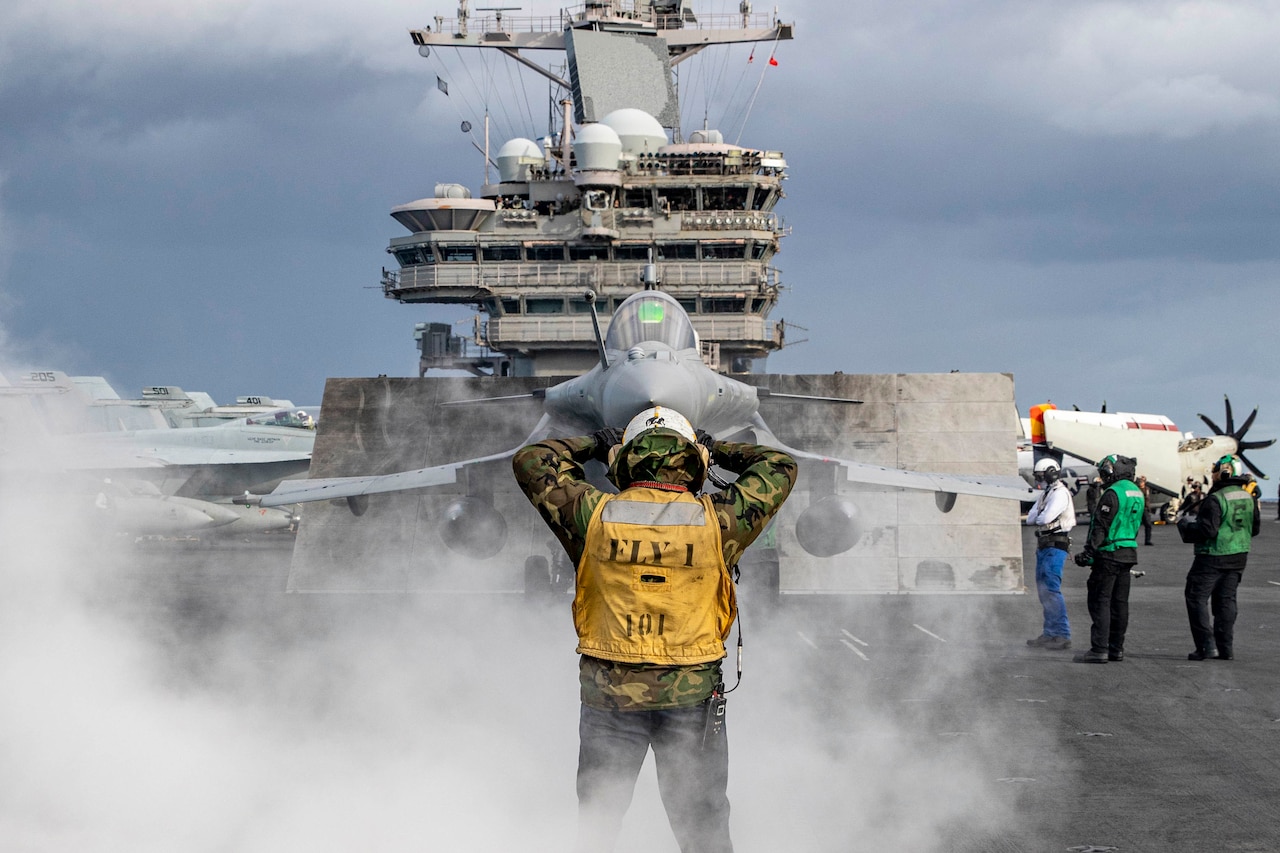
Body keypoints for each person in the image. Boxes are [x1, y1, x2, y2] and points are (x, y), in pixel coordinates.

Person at [512, 406, 797, 853]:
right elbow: (779, 465)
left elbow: (531, 460)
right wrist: (715, 448)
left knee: (599, 825)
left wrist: (594, 443)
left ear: (623, 461)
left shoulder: (593, 516)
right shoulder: (718, 521)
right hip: (692, 699)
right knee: (702, 826)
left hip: (609, 700)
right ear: (692, 463)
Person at [1177, 455, 1260, 661]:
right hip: (1239, 555)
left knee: (1196, 598)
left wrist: (1187, 526)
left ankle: (1206, 645)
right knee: (1226, 601)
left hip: (1212, 556)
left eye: (1214, 470)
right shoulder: (1248, 497)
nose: (1212, 474)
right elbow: (1255, 529)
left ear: (1224, 472)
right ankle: (1226, 648)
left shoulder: (1216, 498)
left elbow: (1208, 531)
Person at [1072, 454, 1144, 664]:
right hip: (1128, 551)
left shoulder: (1113, 493)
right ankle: (1116, 648)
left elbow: (1101, 526)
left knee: (1100, 600)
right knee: (1120, 603)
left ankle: (1099, 649)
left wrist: (1088, 553)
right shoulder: (1137, 493)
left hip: (1109, 553)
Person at [1024, 458, 1074, 650]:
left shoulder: (1060, 494)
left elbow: (1044, 517)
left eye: (1041, 475)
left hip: (1055, 545)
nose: (1039, 479)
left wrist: (1039, 515)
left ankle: (1061, 633)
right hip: (1045, 545)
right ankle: (1050, 633)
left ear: (1051, 473)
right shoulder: (1047, 493)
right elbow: (1031, 519)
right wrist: (1039, 515)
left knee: (1051, 589)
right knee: (1044, 591)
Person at [1137, 475, 1154, 545]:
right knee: (1135, 525)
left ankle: (1147, 540)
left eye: (1142, 481)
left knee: (1148, 525)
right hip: (1138, 508)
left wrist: (1149, 508)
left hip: (1145, 509)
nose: (1141, 482)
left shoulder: (1147, 489)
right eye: (1140, 481)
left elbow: (1148, 499)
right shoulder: (1136, 489)